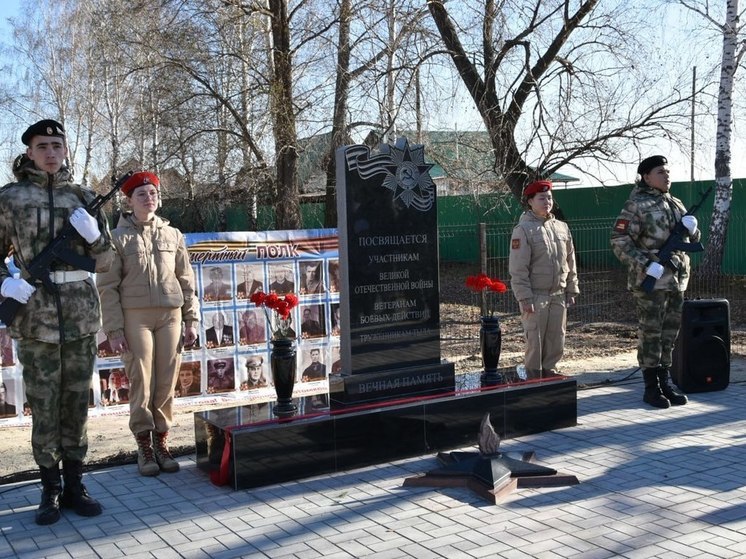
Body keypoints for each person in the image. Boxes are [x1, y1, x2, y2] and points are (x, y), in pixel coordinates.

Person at [0, 119, 113, 524]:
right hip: (35, 318)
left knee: (76, 406)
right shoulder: (10, 199)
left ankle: (75, 486)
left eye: (57, 145)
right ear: (29, 152)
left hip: (81, 318)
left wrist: (95, 235)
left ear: (66, 150)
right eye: (42, 146)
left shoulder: (83, 197)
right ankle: (49, 489)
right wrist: (5, 285)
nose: (51, 152)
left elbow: (107, 258)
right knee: (45, 407)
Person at [96, 170, 199, 477]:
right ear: (129, 201)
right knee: (141, 380)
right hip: (135, 317)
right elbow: (107, 286)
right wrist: (113, 329)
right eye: (141, 194)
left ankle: (162, 443)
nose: (148, 198)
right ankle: (144, 446)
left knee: (166, 381)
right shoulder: (116, 238)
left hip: (170, 315)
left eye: (153, 193)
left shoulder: (173, 235)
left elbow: (186, 280)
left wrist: (191, 319)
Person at [611, 155, 698, 409]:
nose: (666, 175)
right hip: (650, 280)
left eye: (667, 171)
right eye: (660, 171)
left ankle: (665, 381)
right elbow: (619, 240)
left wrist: (693, 230)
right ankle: (651, 387)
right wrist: (647, 264)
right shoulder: (636, 205)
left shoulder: (676, 203)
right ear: (647, 176)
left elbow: (691, 242)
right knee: (651, 333)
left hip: (676, 281)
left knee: (669, 334)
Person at [509, 179, 579, 380]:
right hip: (536, 296)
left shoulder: (562, 227)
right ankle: (533, 378)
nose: (547, 201)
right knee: (535, 340)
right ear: (530, 201)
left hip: (558, 294)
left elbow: (570, 260)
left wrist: (572, 289)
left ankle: (551, 372)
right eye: (541, 198)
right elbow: (518, 268)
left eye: (549, 197)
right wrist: (524, 297)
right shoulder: (523, 230)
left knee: (556, 338)